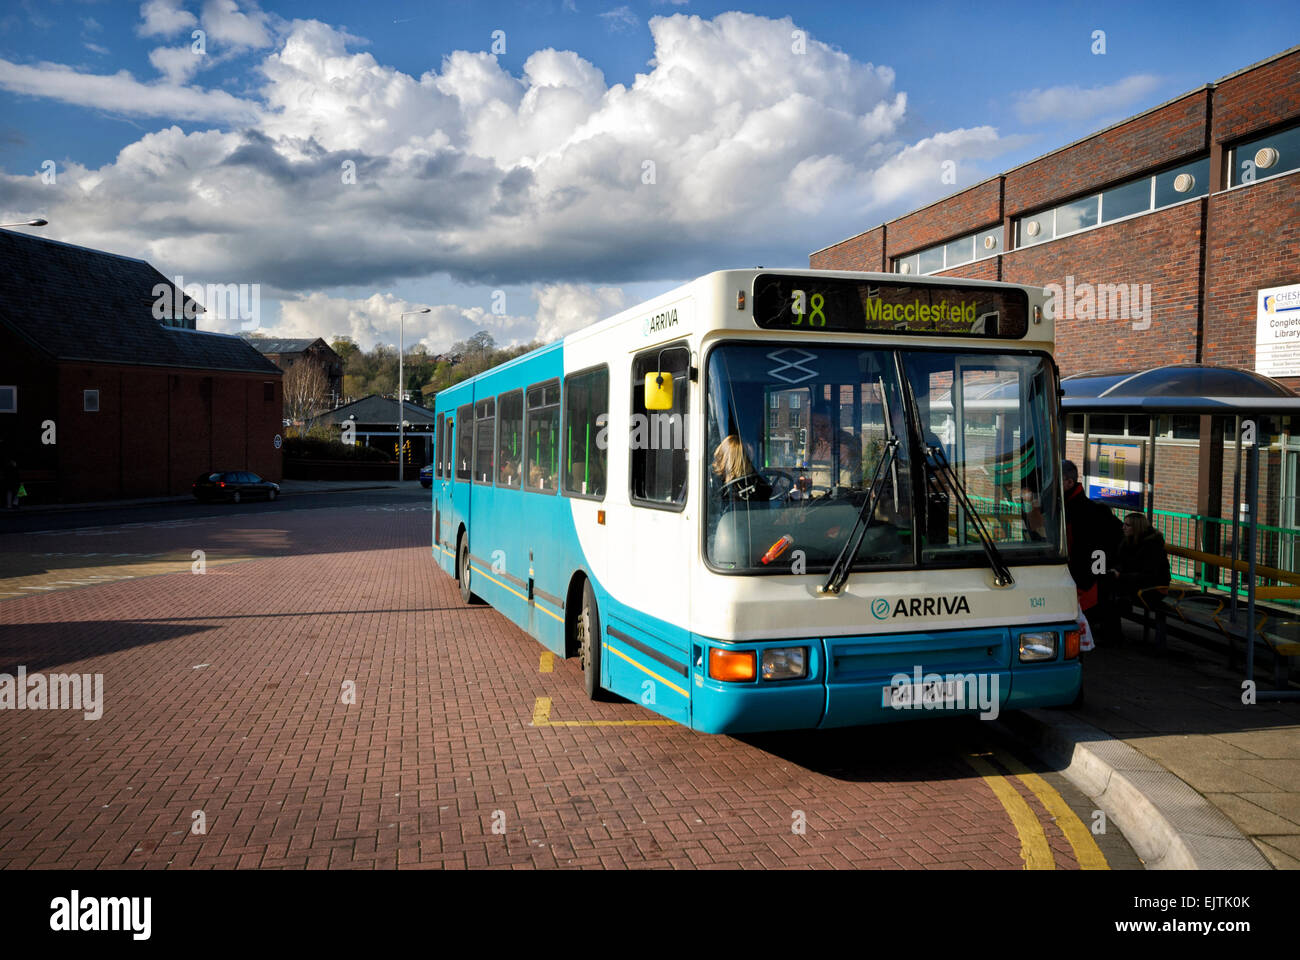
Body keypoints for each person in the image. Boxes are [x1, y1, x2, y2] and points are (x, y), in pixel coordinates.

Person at [1063, 459, 1123, 642]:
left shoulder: (1085, 510)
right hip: (1087, 571)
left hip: (1086, 574)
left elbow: (1098, 546)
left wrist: (1097, 572)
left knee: (1098, 605)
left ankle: (1106, 635)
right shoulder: (1071, 506)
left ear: (1069, 482)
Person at [1111, 513, 1172, 606]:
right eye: (1124, 524)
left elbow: (1149, 576)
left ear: (1137, 527)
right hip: (1136, 584)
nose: (1123, 527)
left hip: (1154, 589)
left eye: (1127, 525)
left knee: (1113, 594)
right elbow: (1121, 562)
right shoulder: (1127, 541)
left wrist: (1121, 576)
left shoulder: (1152, 546)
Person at [711, 435, 771, 502]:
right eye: (747, 454)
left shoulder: (754, 479)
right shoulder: (713, 482)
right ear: (739, 459)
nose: (752, 449)